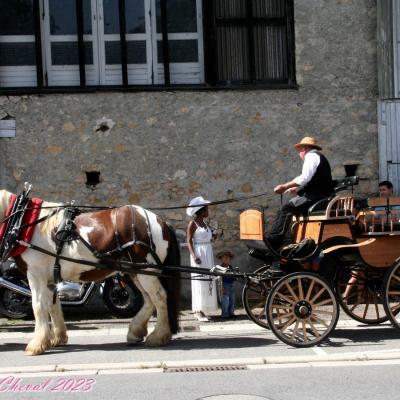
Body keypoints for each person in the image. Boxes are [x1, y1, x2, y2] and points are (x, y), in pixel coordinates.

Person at [266, 136, 334, 251]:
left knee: (287, 208)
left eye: (300, 151)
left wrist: (284, 186)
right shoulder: (317, 157)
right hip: (318, 195)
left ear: (305, 149)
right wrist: (297, 190)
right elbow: (313, 180)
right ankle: (288, 239)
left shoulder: (311, 156)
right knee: (287, 208)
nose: (299, 154)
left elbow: (305, 177)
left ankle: (275, 240)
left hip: (317, 197)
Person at [186, 196, 218, 321]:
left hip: (207, 252)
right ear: (200, 210)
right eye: (206, 209)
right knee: (199, 280)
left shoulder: (204, 223)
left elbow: (209, 238)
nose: (208, 211)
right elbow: (188, 241)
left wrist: (214, 235)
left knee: (207, 279)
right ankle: (197, 310)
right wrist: (194, 256)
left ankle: (203, 308)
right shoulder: (192, 224)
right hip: (199, 253)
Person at [216, 250, 236, 319]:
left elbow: (233, 276)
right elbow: (219, 278)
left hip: (231, 285)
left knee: (232, 300)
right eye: (224, 258)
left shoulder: (230, 267)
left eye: (227, 258)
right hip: (224, 285)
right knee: (225, 301)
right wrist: (221, 288)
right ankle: (225, 314)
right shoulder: (220, 267)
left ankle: (231, 313)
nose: (226, 259)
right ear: (221, 259)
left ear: (230, 259)